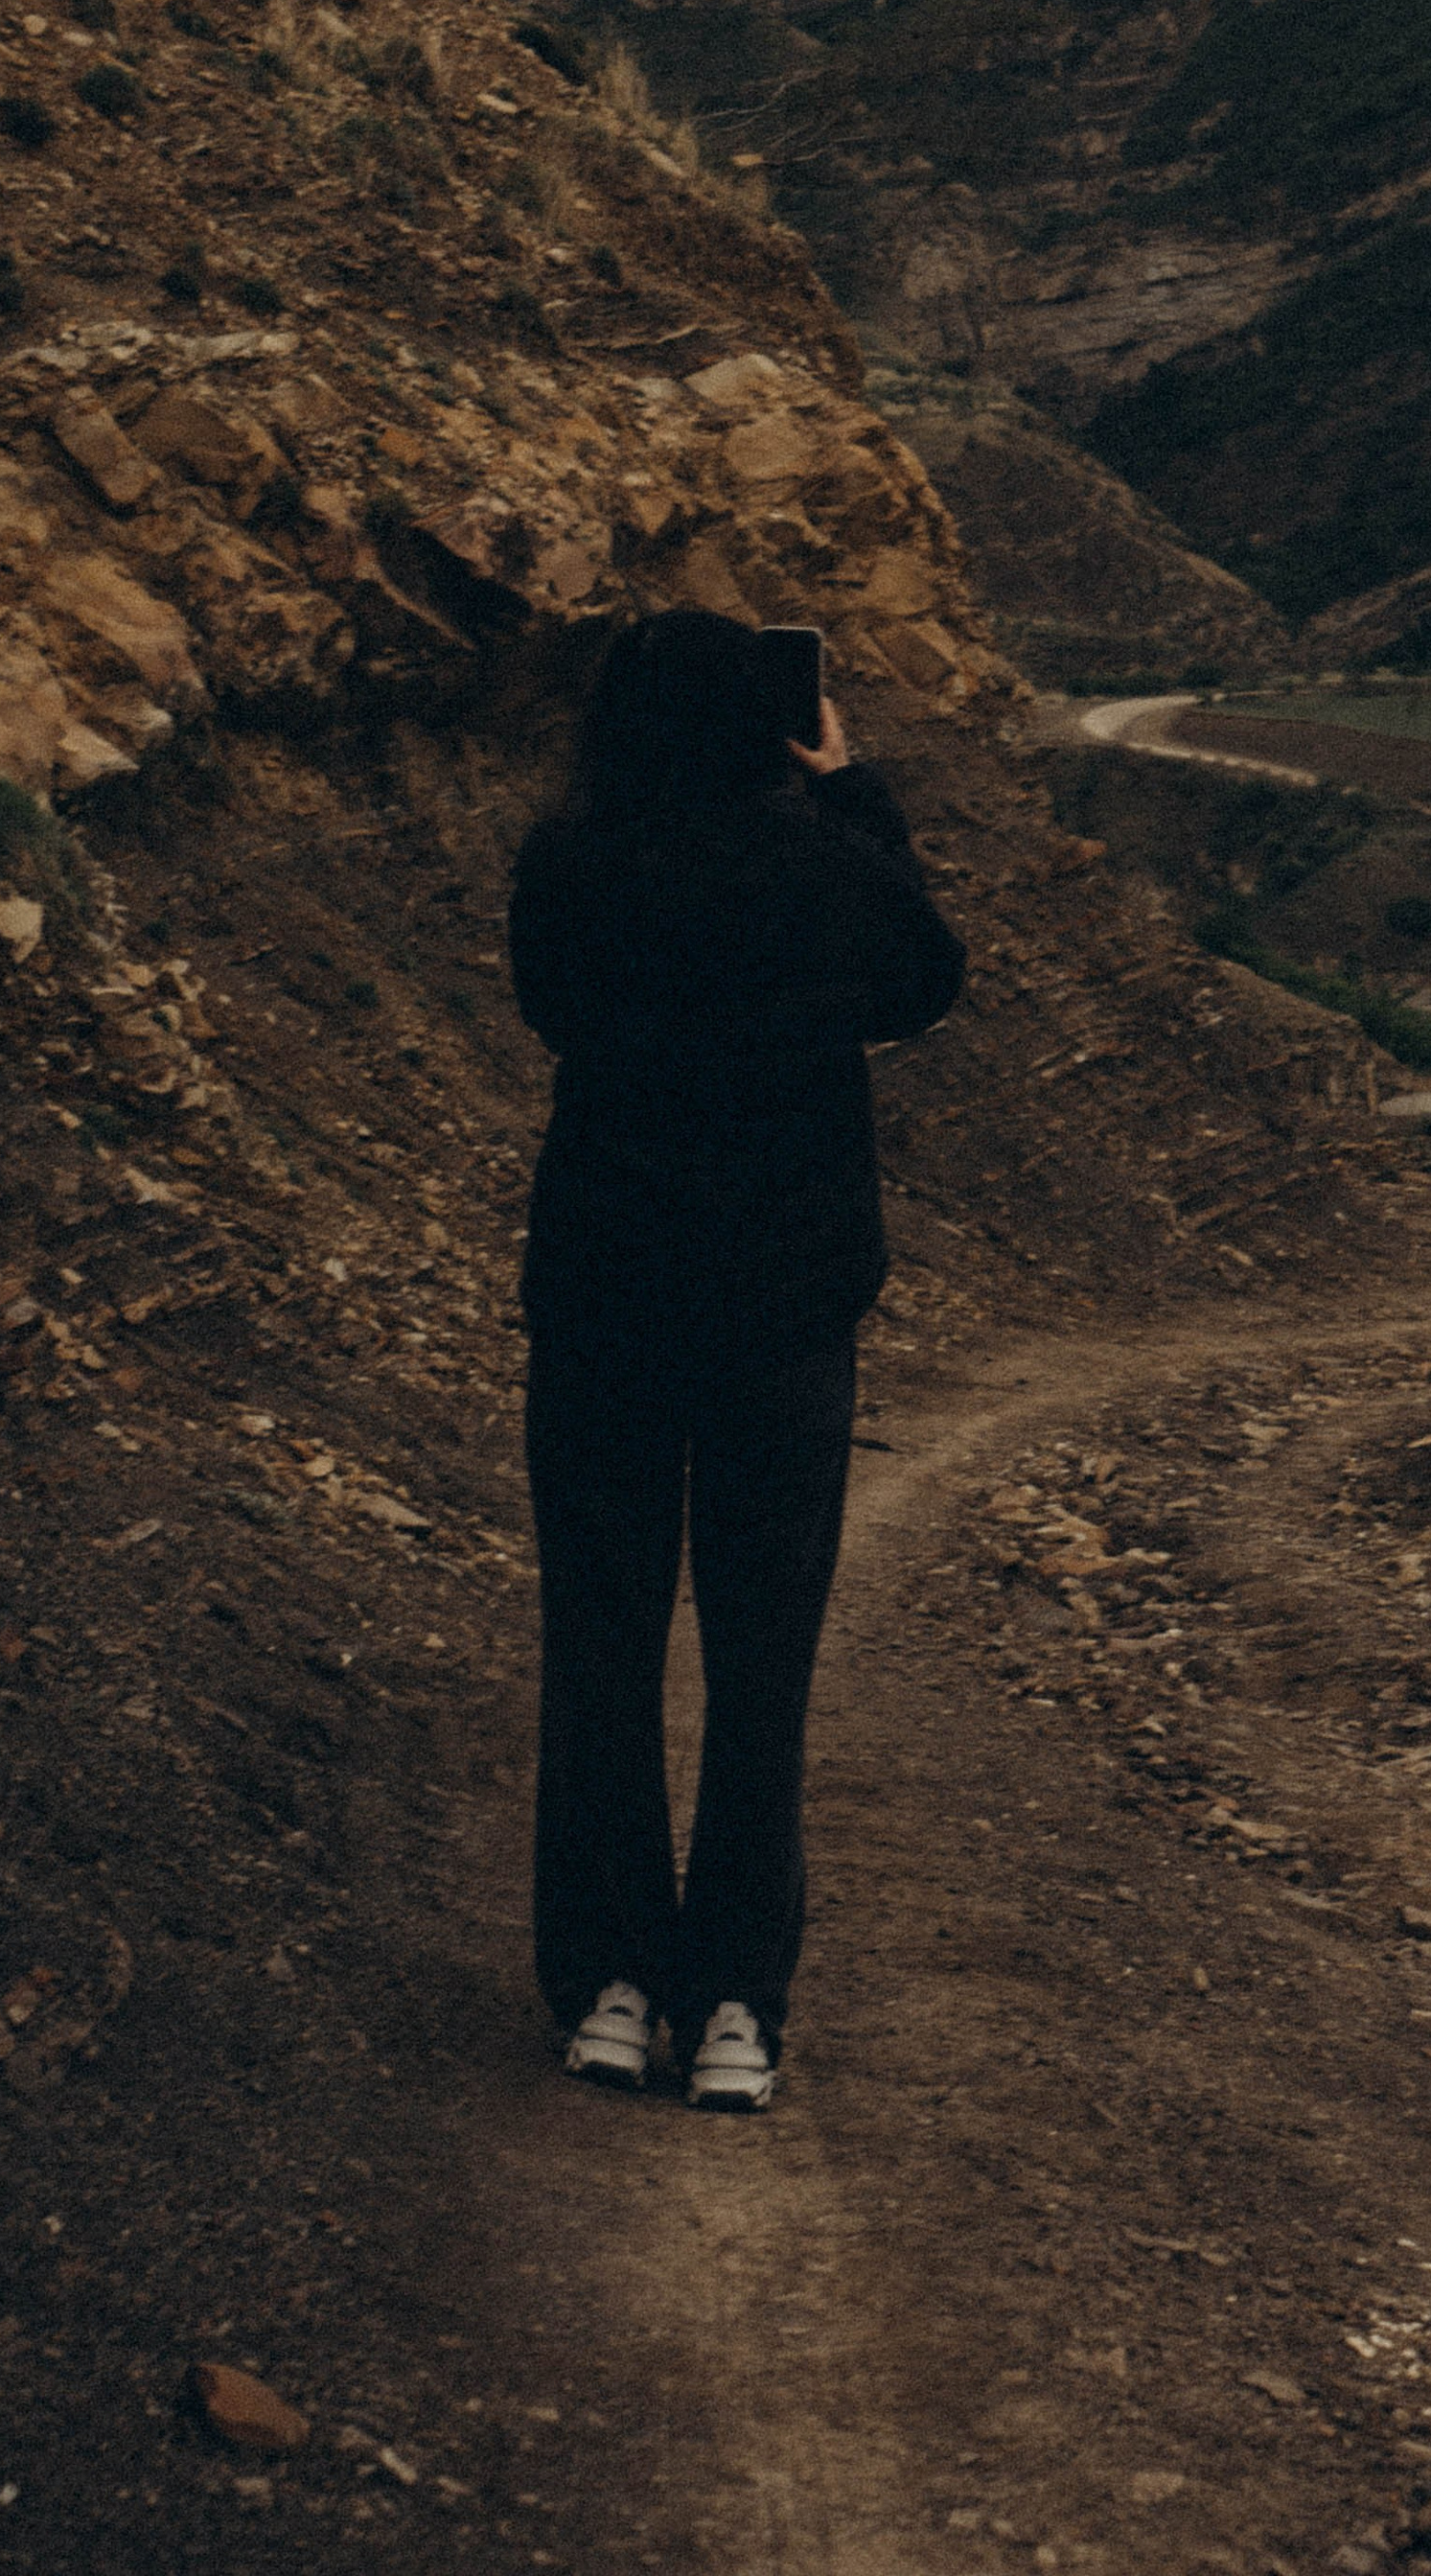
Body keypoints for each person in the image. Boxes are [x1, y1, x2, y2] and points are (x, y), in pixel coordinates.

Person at [508, 606, 966, 2111]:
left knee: (605, 1643)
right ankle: (738, 2012)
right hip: (783, 1307)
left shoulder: (565, 867)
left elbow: (551, 1012)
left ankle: (611, 1985)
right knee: (763, 1660)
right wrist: (846, 787)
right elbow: (927, 973)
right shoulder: (824, 868)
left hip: (606, 1296)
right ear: (766, 718)